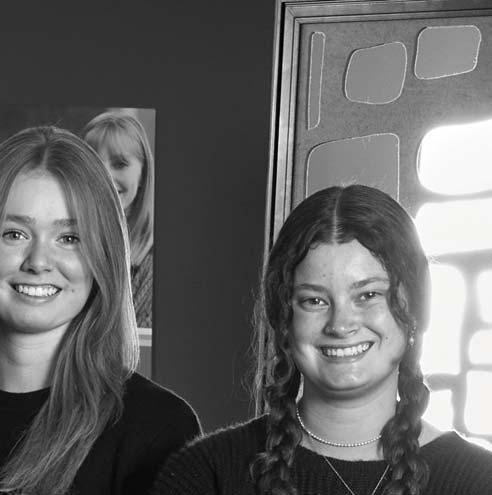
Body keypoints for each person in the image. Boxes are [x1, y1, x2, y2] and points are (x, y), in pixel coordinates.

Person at [151, 185, 492, 495]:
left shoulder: (479, 481)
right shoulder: (204, 475)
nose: (340, 324)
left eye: (368, 295)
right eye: (314, 300)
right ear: (283, 319)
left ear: (415, 306)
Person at [0, 126, 200, 495]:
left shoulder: (157, 429)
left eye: (69, 238)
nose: (38, 261)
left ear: (102, 257)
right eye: (15, 234)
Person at [82, 112, 154, 328]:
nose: (104, 175)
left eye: (120, 163)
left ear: (143, 175)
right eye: (93, 163)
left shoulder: (152, 260)